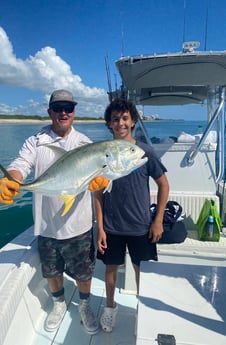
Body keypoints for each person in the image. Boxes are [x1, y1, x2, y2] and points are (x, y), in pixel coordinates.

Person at [0, 89, 102, 334]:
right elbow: (21, 164)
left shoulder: (84, 143)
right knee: (52, 272)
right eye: (58, 108)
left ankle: (84, 305)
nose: (63, 112)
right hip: (47, 226)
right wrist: (12, 180)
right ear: (50, 112)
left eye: (69, 108)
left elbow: (102, 173)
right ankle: (58, 303)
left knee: (84, 273)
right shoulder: (36, 141)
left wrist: (102, 180)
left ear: (74, 112)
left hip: (79, 226)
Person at [94, 98, 169, 333]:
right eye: (115, 119)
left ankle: (143, 309)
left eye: (125, 118)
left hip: (141, 226)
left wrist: (157, 220)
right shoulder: (103, 153)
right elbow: (97, 193)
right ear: (109, 124)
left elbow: (164, 185)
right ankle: (109, 308)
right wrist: (101, 228)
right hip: (113, 226)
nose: (120, 123)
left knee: (142, 272)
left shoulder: (145, 151)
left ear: (133, 121)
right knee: (110, 269)